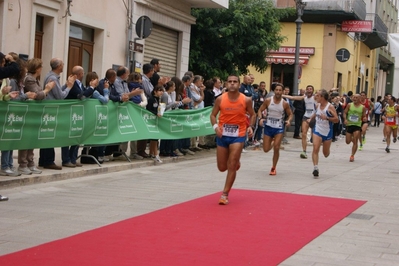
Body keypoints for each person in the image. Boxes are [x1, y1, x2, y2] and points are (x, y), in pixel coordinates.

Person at [210, 74, 255, 205]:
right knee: (222, 167)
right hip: (223, 135)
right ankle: (235, 162)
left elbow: (252, 114)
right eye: (230, 81)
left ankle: (225, 194)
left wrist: (250, 127)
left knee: (232, 164)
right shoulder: (220, 99)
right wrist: (215, 127)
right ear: (226, 84)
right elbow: (212, 115)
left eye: (235, 82)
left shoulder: (246, 100)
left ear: (239, 85)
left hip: (238, 134)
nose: (232, 84)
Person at [39, 58, 76, 170]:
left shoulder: (52, 76)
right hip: (51, 110)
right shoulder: (52, 78)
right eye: (62, 63)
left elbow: (58, 91)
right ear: (59, 66)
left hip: (50, 109)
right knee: (50, 135)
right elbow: (60, 96)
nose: (64, 65)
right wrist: (69, 87)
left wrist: (66, 85)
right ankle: (48, 160)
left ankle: (43, 160)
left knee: (48, 134)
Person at [257, 83, 292, 175]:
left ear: (283, 92)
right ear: (274, 91)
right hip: (268, 126)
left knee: (276, 148)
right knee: (265, 149)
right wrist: (260, 119)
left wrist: (288, 121)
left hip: (279, 128)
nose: (278, 92)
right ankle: (272, 142)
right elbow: (260, 110)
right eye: (277, 90)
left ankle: (273, 167)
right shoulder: (268, 100)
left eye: (280, 90)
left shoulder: (285, 103)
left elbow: (290, 114)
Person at [308, 89, 338, 178]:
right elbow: (316, 113)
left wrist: (327, 118)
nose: (315, 96)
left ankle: (327, 150)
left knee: (326, 154)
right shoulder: (317, 105)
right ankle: (315, 168)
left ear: (322, 97)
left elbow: (336, 120)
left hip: (327, 131)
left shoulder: (330, 107)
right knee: (315, 148)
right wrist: (310, 118)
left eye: (317, 95)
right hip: (317, 129)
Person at [283, 85, 316, 159]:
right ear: (306, 91)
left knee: (315, 135)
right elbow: (293, 98)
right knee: (304, 133)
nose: (309, 90)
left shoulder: (315, 98)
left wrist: (311, 118)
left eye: (310, 89)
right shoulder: (304, 97)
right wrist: (282, 95)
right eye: (308, 89)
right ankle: (304, 151)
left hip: (314, 117)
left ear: (313, 91)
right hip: (306, 116)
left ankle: (315, 151)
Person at [62, 66, 85, 168]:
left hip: (78, 113)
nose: (83, 74)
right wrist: (92, 88)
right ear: (79, 74)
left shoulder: (80, 84)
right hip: (69, 113)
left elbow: (85, 94)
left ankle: (73, 158)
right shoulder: (72, 84)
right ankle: (66, 159)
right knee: (67, 137)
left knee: (76, 135)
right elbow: (81, 95)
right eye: (82, 72)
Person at [343, 94, 366, 162]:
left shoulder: (363, 107)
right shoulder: (349, 105)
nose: (354, 99)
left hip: (357, 125)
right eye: (354, 97)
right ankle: (352, 139)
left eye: (356, 98)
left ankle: (352, 155)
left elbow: (364, 116)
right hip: (349, 125)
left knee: (355, 139)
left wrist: (364, 118)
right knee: (347, 141)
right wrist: (345, 119)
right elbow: (344, 113)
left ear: (359, 99)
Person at [146, 85, 165, 163]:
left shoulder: (158, 99)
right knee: (154, 138)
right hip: (151, 120)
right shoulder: (151, 99)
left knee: (155, 138)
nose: (161, 92)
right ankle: (156, 155)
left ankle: (152, 153)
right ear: (155, 91)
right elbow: (148, 110)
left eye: (162, 91)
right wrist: (155, 113)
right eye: (160, 90)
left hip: (156, 120)